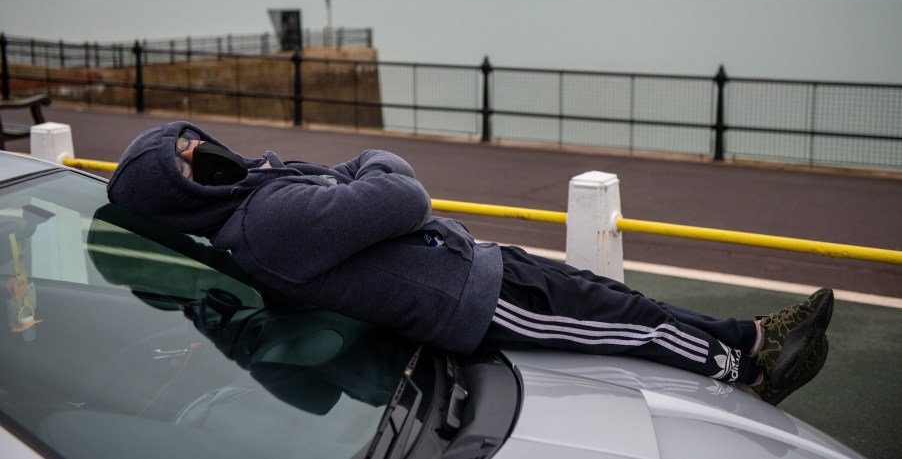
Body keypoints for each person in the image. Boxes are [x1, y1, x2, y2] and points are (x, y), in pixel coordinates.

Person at [107, 121, 833, 405]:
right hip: (471, 296)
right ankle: (750, 371)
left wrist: (345, 180)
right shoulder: (267, 219)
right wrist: (357, 166)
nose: (198, 150)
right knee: (629, 325)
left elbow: (374, 199)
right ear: (179, 191)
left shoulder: (258, 197)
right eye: (182, 160)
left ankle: (750, 332)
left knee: (632, 308)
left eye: (187, 139)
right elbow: (400, 192)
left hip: (469, 265)